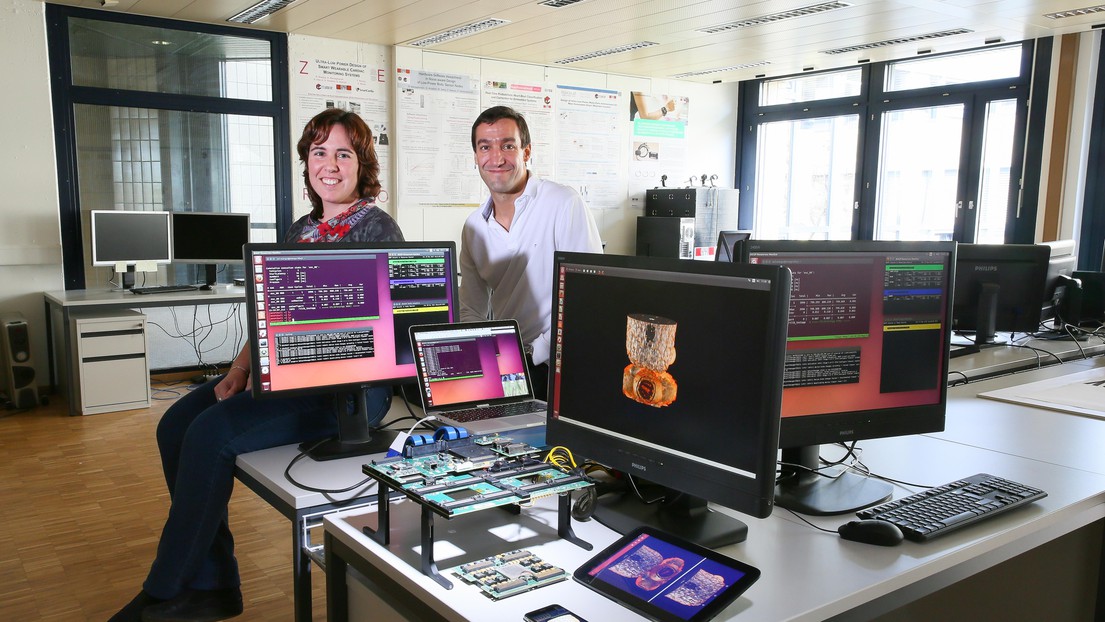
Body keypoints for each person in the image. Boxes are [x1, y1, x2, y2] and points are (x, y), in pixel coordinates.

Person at [110, 108, 403, 622]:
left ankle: (167, 590)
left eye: (343, 153)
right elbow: (270, 315)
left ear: (362, 164)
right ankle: (212, 581)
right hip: (282, 370)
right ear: (306, 162)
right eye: (319, 152)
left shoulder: (377, 229)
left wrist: (287, 369)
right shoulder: (301, 229)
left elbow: (378, 337)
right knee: (176, 424)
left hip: (349, 390)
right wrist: (242, 370)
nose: (329, 165)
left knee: (210, 435)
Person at [459, 106, 602, 400]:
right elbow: (471, 308)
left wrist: (533, 353)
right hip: (510, 367)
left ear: (526, 151)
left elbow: (589, 294)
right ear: (475, 157)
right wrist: (478, 360)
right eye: (485, 147)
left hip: (562, 366)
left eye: (508, 145)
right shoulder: (474, 227)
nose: (496, 158)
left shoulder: (563, 203)